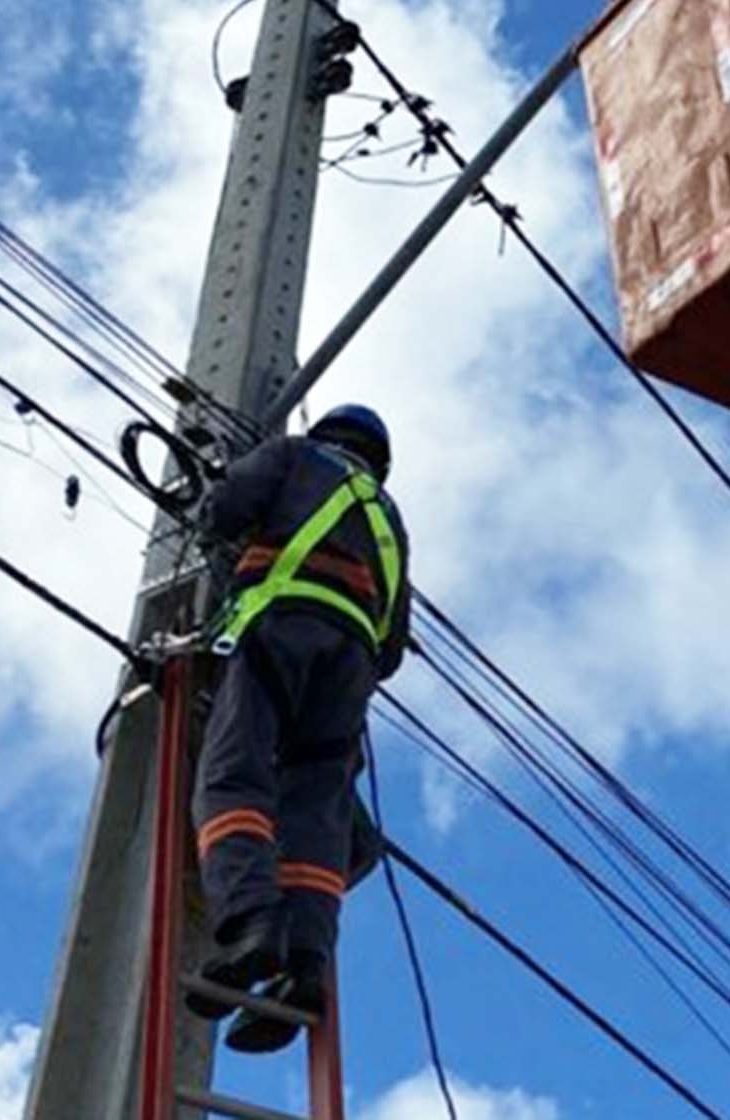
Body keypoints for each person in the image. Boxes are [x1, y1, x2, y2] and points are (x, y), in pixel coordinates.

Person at [184, 403, 411, 1054]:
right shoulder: (389, 518)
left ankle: (251, 920)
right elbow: (392, 644)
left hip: (279, 626)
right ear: (380, 462)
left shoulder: (291, 456)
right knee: (317, 811)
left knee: (233, 777)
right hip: (352, 668)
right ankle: (304, 966)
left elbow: (226, 511)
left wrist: (216, 530)